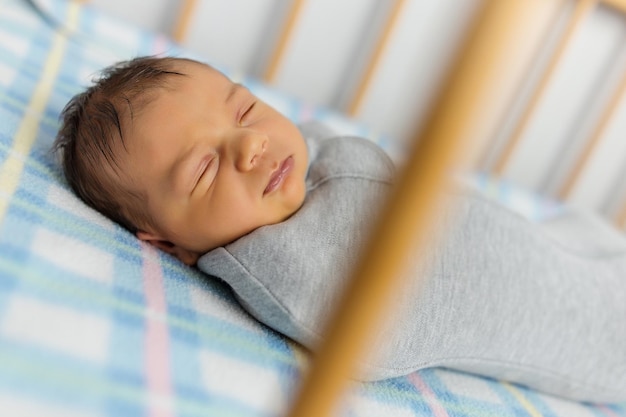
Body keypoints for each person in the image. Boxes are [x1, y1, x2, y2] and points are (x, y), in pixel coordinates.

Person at [54, 56, 626, 403]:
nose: (251, 145)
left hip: (571, 240)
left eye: (246, 110)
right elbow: (373, 340)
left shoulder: (297, 170)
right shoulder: (285, 270)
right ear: (165, 243)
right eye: (204, 169)